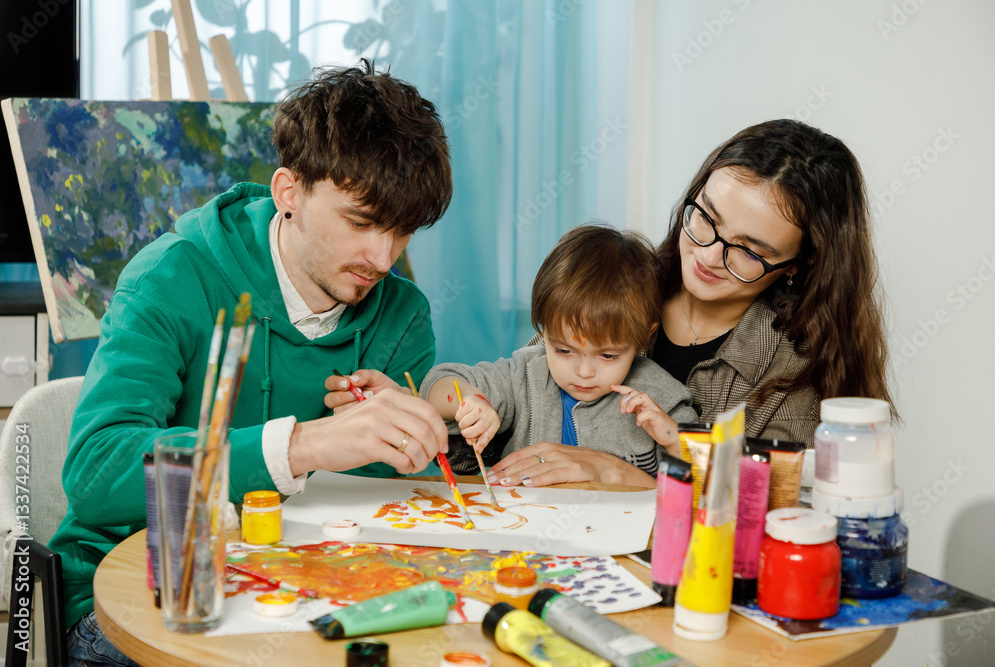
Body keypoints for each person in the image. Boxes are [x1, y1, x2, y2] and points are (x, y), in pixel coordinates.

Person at [50, 59, 453, 664]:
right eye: (361, 222)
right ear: (289, 192)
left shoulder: (403, 315)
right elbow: (95, 475)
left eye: (403, 233)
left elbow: (377, 511)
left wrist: (396, 448)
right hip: (137, 600)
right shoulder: (171, 277)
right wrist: (302, 447)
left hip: (300, 598)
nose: (382, 257)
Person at [490, 119, 894, 487]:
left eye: (750, 251)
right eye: (707, 218)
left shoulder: (796, 372)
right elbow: (513, 400)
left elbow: (768, 515)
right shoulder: (619, 288)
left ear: (798, 265)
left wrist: (616, 473)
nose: (709, 256)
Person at [420, 225, 698, 490]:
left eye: (608, 355)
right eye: (564, 350)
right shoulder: (525, 374)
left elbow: (708, 481)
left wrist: (674, 440)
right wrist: (469, 397)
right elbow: (438, 382)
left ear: (643, 338)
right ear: (544, 330)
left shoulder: (662, 398)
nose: (584, 371)